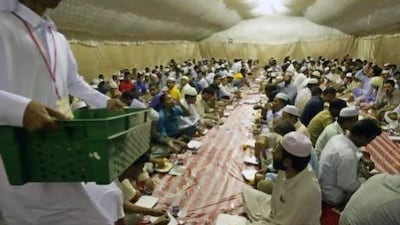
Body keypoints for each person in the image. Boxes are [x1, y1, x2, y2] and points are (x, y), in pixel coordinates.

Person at [0, 0, 125, 224]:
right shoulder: (3, 25)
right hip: (14, 156)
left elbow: (73, 81)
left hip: (54, 151)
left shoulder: (56, 37)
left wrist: (104, 101)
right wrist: (19, 108)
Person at [242, 132, 321, 225]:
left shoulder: (305, 193)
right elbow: (275, 137)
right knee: (246, 192)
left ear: (287, 162)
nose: (273, 151)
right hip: (276, 210)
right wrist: (263, 139)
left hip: (285, 220)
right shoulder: (292, 167)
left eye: (277, 151)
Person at [318, 119, 382, 207]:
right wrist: (369, 181)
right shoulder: (347, 155)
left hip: (325, 187)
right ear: (362, 136)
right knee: (377, 194)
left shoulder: (337, 138)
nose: (367, 144)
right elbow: (348, 186)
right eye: (369, 140)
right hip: (334, 197)